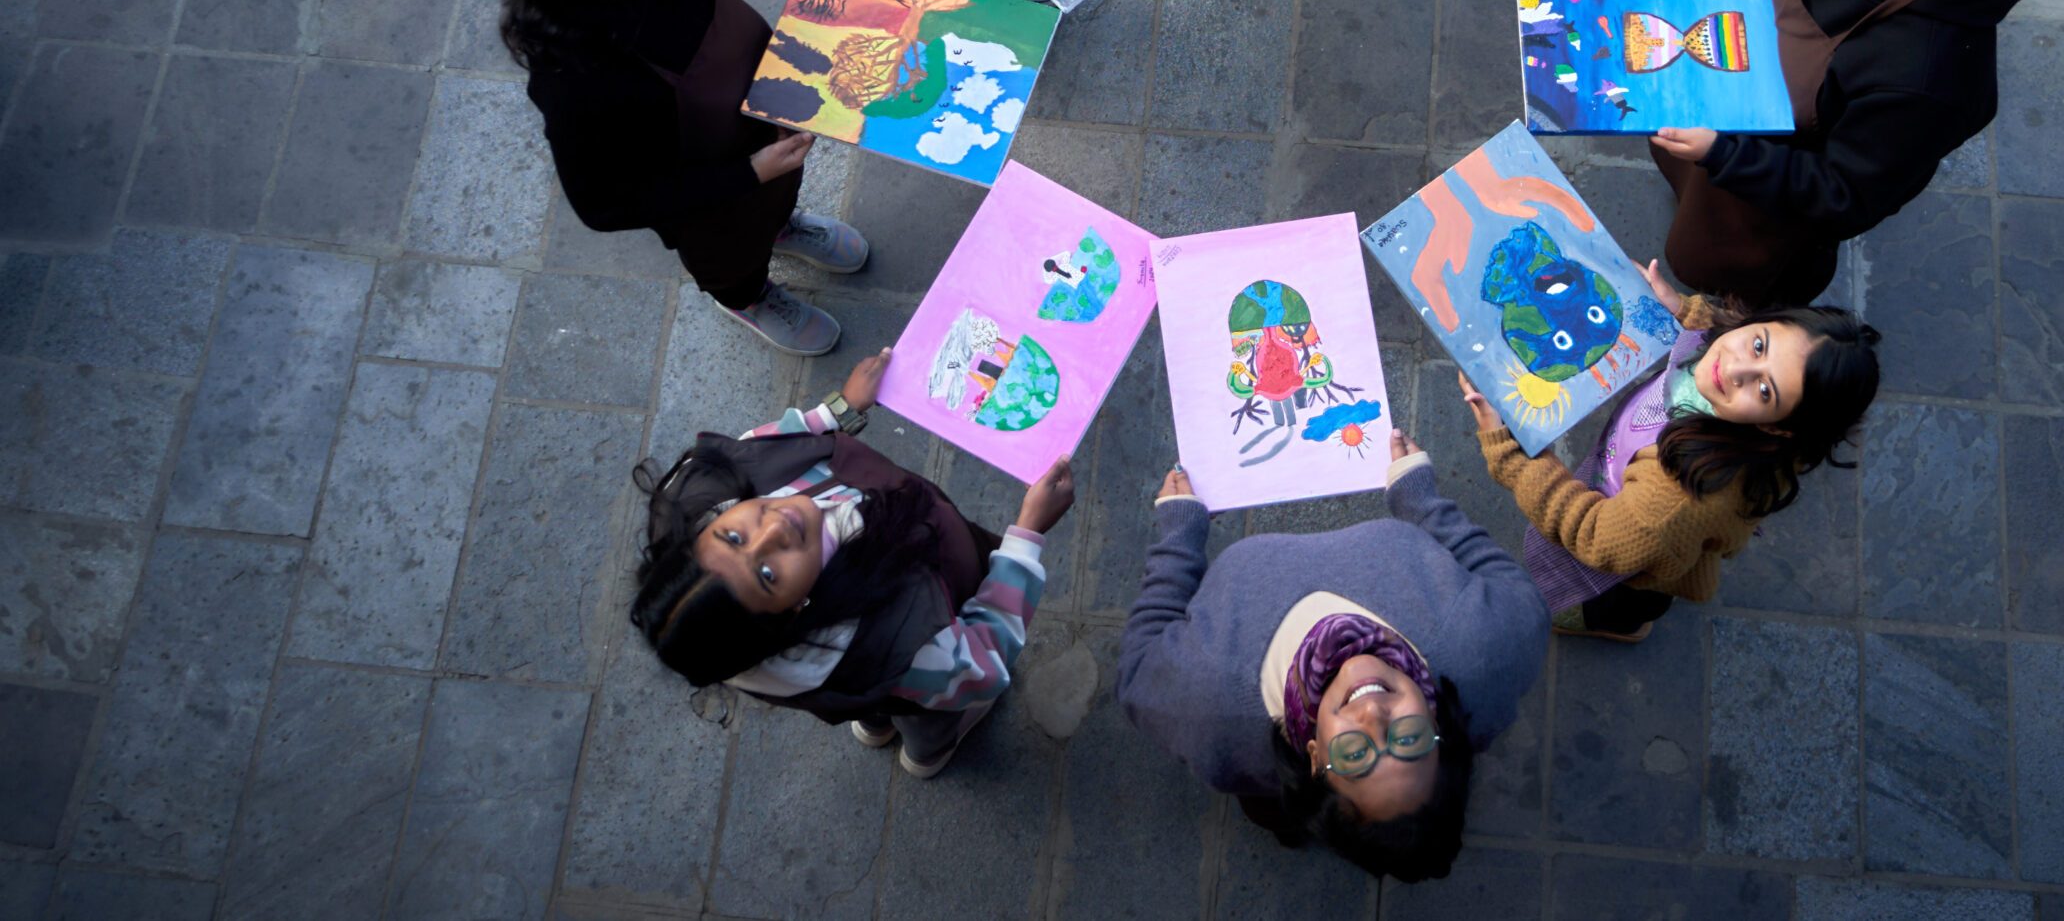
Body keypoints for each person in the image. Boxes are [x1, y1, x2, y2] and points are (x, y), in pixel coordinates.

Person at [500, 0, 902, 355]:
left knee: (779, 195)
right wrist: (748, 174)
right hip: (705, 197)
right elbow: (601, 205)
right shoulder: (567, 73)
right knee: (730, 257)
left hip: (766, 112)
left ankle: (782, 226)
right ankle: (748, 298)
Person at [1628, 0, 2055, 304]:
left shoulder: (1931, 81)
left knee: (1715, 264)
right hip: (1710, 79)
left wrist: (1723, 154)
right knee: (1677, 170)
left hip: (1765, 187)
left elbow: (1844, 194)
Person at [1116, 433, 1546, 883]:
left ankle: (1287, 825)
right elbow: (1516, 591)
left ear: (1314, 756)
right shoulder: (1491, 648)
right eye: (1408, 740)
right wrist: (1422, 503)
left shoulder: (1208, 709)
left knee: (1273, 805)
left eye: (1354, 753)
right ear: (1439, 727)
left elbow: (1138, 664)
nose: (1373, 715)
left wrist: (1179, 541)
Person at [629, 349, 1077, 778]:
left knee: (878, 694)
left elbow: (764, 446)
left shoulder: (699, 496)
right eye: (767, 575)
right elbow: (981, 661)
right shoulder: (908, 645)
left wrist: (838, 409)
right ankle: (928, 753)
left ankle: (874, 719)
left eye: (732, 536)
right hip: (931, 618)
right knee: (929, 710)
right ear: (792, 615)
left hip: (869, 672)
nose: (774, 528)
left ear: (696, 534)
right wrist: (1026, 535)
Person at [1464, 265, 1880, 642]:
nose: (1733, 369)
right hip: (1653, 523)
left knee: (1612, 604)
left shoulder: (1677, 497)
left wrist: (1510, 451)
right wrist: (1683, 310)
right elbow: (1721, 328)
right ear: (1763, 320)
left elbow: (1595, 535)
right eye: (1758, 345)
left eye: (1765, 390)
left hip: (1625, 560)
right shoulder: (1734, 381)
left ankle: (1615, 625)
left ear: (1777, 428)